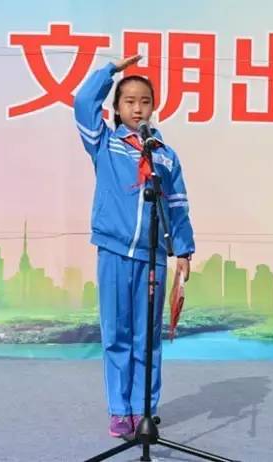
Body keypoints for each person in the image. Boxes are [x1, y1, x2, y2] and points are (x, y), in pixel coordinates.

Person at [73, 54, 195, 437]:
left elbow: (177, 205)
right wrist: (110, 71)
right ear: (116, 108)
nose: (137, 108)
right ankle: (119, 409)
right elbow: (82, 102)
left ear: (154, 106)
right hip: (113, 252)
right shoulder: (104, 144)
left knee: (148, 337)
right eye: (129, 101)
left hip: (153, 255)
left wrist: (184, 251)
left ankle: (145, 409)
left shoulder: (165, 155)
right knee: (117, 334)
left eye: (144, 101)